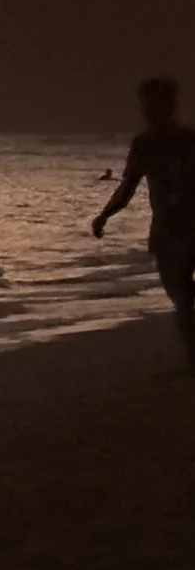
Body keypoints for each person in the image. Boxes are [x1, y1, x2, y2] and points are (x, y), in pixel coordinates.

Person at [91, 76, 195, 372]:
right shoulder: (190, 139)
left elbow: (128, 188)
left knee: (180, 295)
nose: (146, 110)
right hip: (181, 228)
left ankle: (193, 361)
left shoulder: (147, 144)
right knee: (183, 295)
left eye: (150, 104)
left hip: (170, 231)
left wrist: (104, 216)